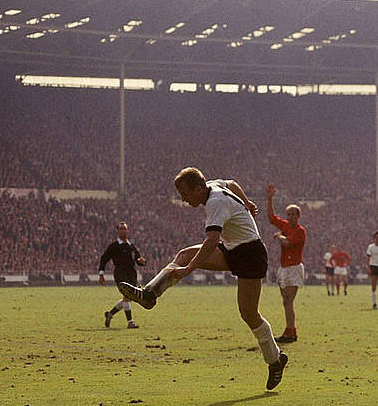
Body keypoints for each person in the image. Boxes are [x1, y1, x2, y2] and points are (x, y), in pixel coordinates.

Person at [117, 167, 288, 390]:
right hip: (232, 248)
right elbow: (233, 182)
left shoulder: (215, 203)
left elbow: (210, 242)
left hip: (250, 254)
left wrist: (189, 270)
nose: (184, 200)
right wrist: (247, 202)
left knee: (248, 313)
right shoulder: (214, 185)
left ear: (199, 189)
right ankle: (149, 294)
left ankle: (276, 360)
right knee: (182, 255)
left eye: (186, 195)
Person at [266, 184, 306, 342]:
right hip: (284, 267)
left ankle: (291, 331)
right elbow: (271, 218)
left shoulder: (300, 231)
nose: (290, 217)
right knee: (285, 301)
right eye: (288, 214)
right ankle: (289, 330)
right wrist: (269, 199)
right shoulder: (285, 225)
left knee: (288, 300)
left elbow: (288, 243)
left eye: (293, 214)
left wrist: (280, 237)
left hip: (294, 268)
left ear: (298, 216)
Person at [99, 221, 145, 329]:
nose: (123, 230)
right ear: (117, 231)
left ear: (128, 231)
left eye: (125, 228)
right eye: (121, 229)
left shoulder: (131, 246)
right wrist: (101, 274)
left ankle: (110, 314)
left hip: (132, 273)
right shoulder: (114, 246)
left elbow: (138, 260)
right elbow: (104, 259)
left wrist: (142, 262)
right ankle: (130, 322)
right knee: (126, 296)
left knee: (128, 298)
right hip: (120, 273)